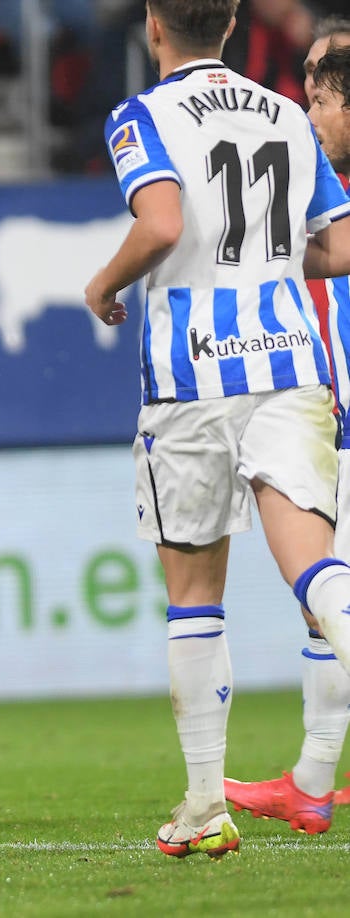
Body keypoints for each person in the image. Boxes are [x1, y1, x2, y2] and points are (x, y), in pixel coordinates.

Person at [84, 0, 350, 860]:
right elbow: (339, 246)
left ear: (155, 26)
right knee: (314, 566)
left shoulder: (141, 115)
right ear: (231, 25)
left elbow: (161, 224)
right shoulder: (283, 111)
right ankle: (231, 795)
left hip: (192, 377)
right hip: (291, 368)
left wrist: (104, 283)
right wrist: (272, 259)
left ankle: (205, 804)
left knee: (196, 598)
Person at [223, 34, 350, 832]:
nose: (310, 108)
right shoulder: (317, 187)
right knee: (323, 604)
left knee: (325, 589)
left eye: (324, 96)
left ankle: (309, 781)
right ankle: (309, 780)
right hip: (334, 417)